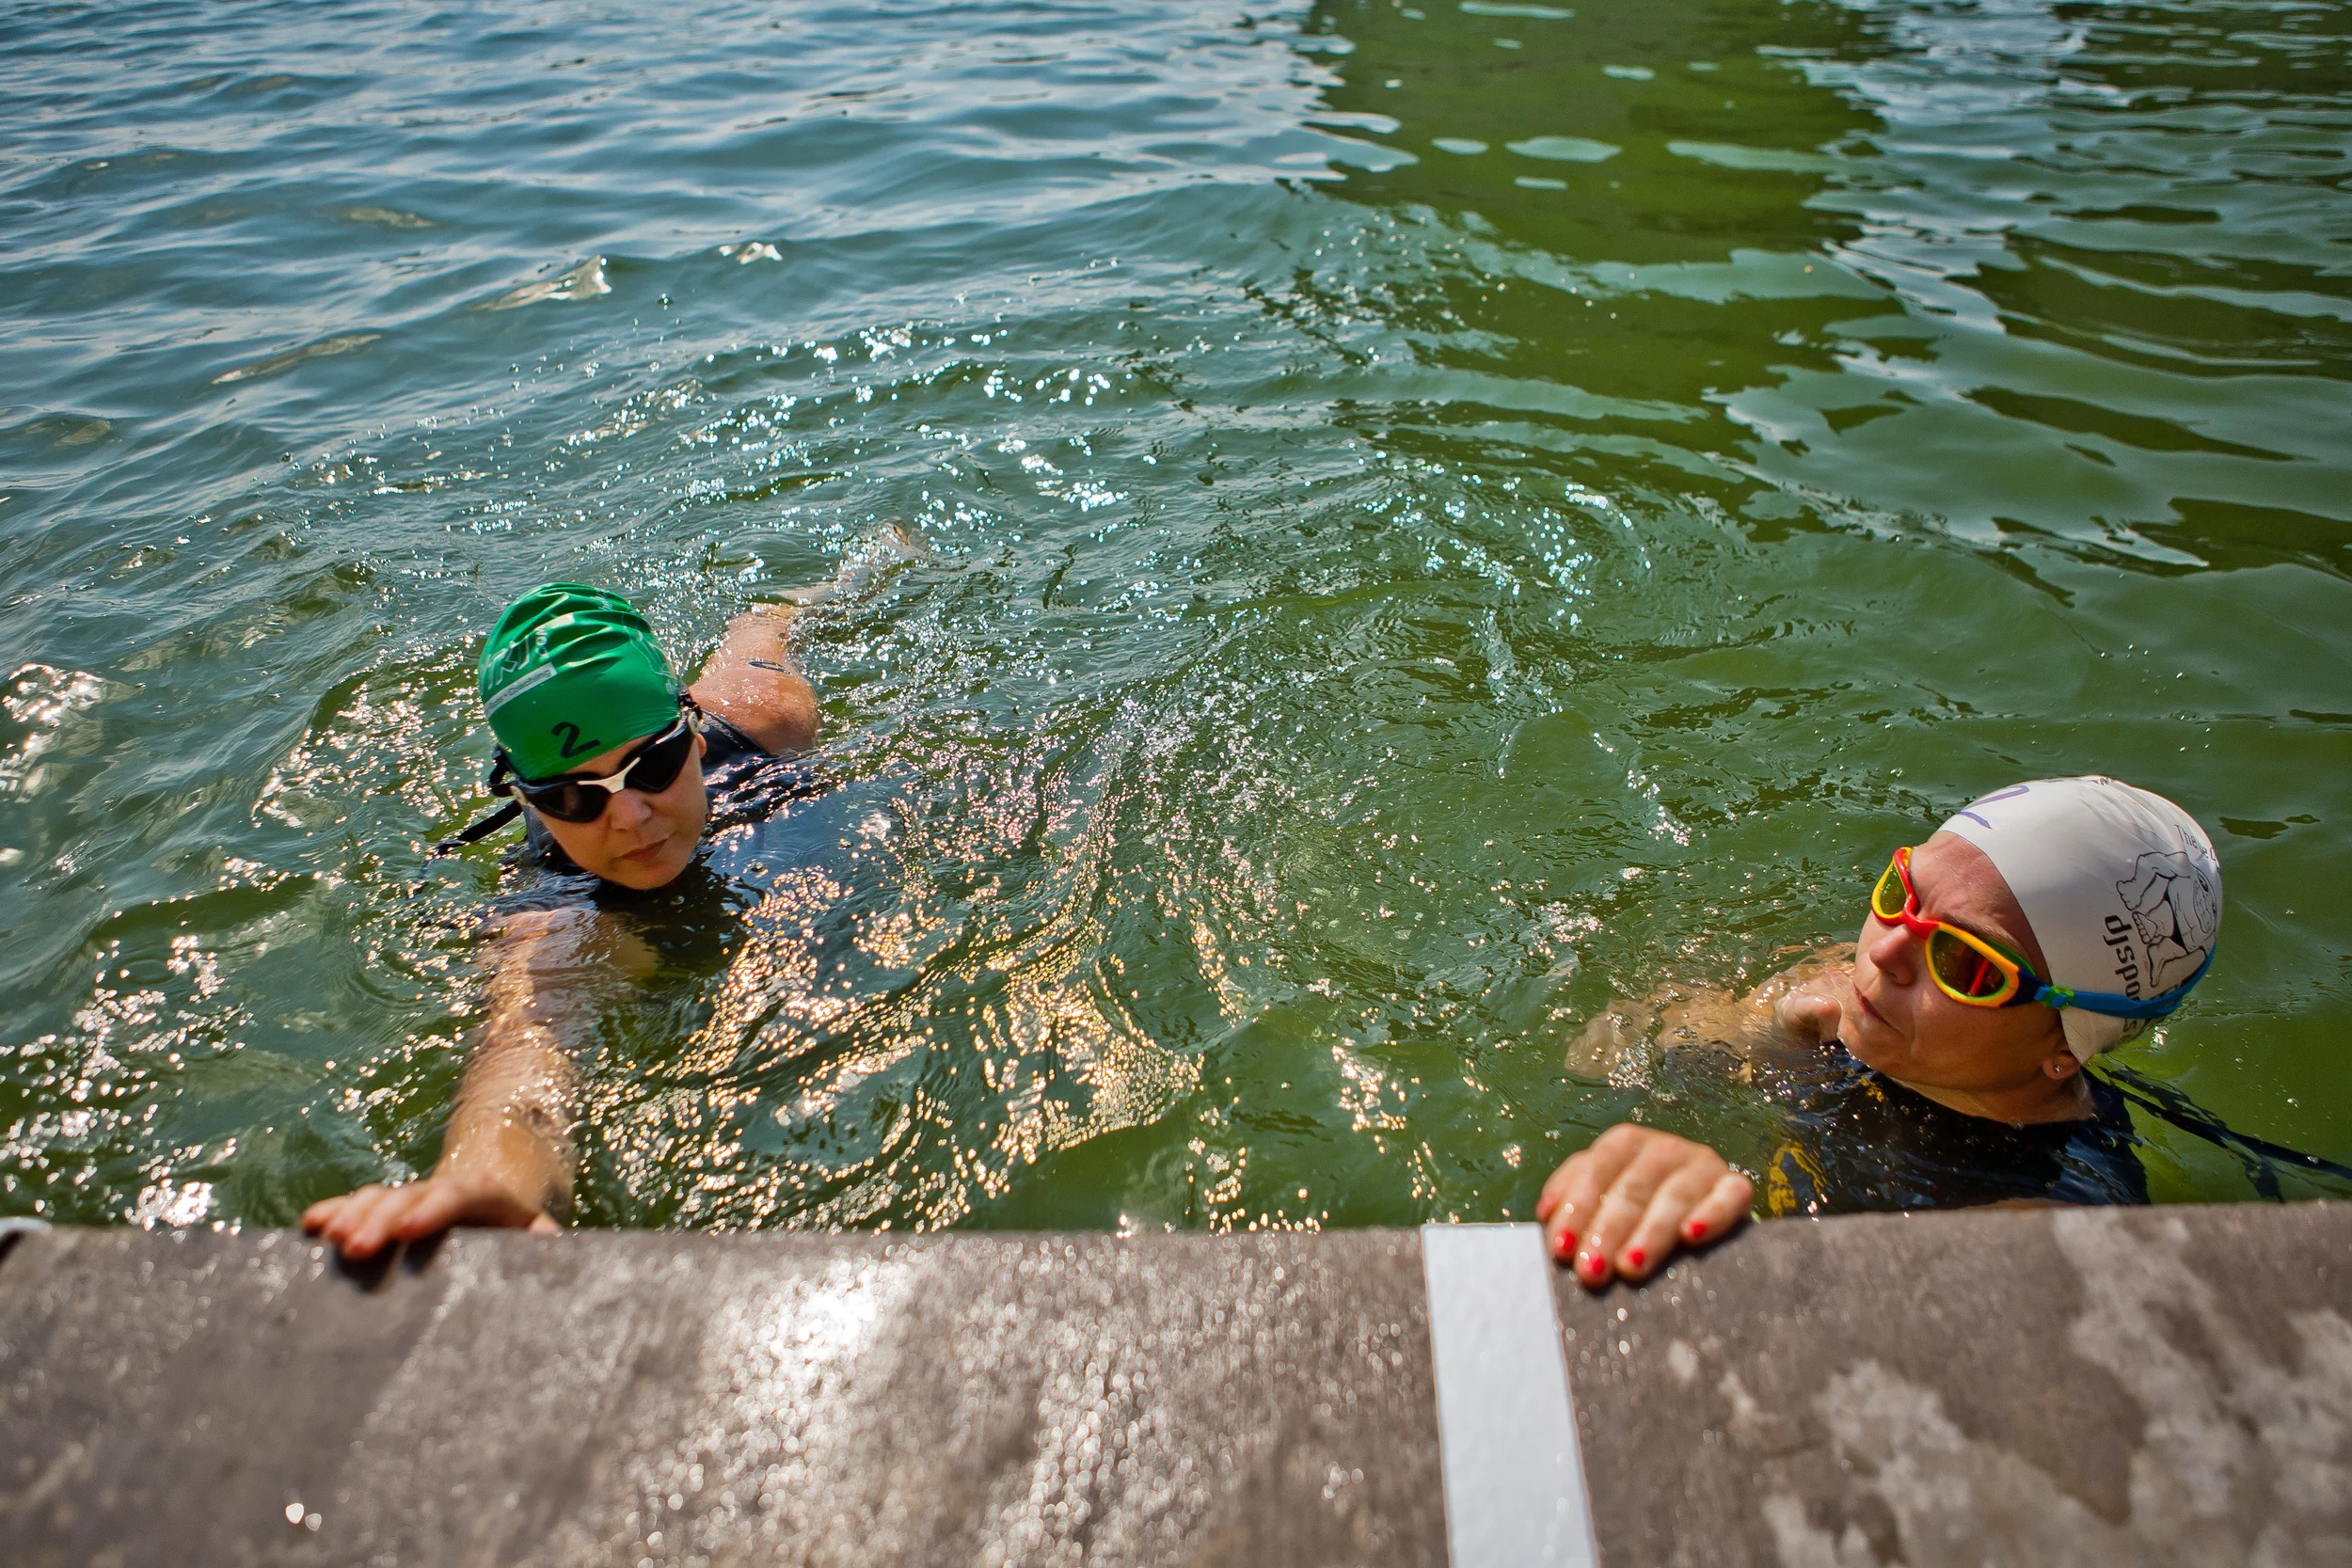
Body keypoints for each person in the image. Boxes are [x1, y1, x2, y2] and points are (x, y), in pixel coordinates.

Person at [304, 581, 826, 1259]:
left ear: (692, 736)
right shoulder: (549, 919)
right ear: (532, 803)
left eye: (654, 763)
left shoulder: (766, 717)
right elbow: (521, 1081)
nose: (631, 816)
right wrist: (489, 1184)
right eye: (575, 796)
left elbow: (772, 618)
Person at [1538, 775, 2223, 1290]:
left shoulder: (2053, 1215)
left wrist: (1731, 1243)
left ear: (2062, 1050)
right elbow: (1602, 1051)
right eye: (1902, 893)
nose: (1888, 953)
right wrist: (1769, 1029)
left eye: (1963, 963)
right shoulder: (1866, 1003)